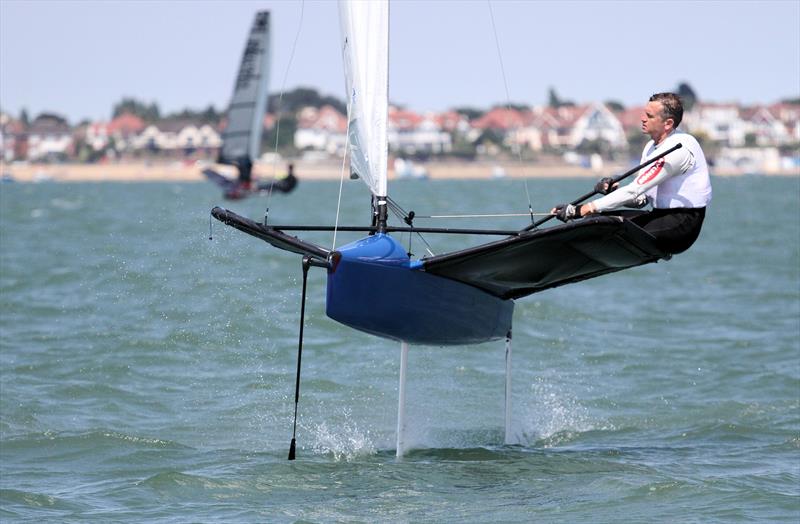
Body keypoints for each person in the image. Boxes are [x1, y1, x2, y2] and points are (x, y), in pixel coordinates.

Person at [553, 92, 712, 255]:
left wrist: (581, 209)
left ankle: (568, 256)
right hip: (658, 216)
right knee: (597, 222)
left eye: (649, 116)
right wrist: (612, 192)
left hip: (682, 226)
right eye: (645, 114)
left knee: (603, 228)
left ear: (668, 123)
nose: (643, 119)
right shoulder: (651, 147)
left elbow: (633, 190)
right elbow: (642, 199)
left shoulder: (679, 150)